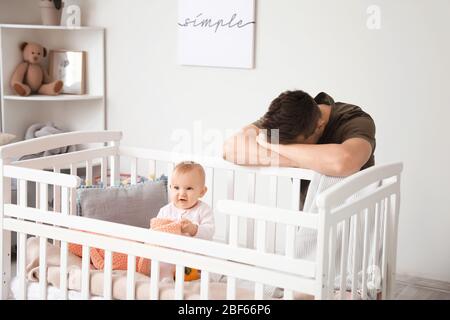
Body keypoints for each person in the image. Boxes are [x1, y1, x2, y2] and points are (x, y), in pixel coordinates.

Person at [223, 90, 376, 177]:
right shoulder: (286, 116)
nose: (293, 150)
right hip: (310, 217)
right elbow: (230, 149)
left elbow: (344, 162)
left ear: (319, 126)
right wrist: (300, 161)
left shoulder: (355, 119)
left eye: (295, 145)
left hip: (358, 215)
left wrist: (272, 146)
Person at [156, 161, 215, 240]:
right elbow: (156, 232)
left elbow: (209, 233)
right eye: (176, 188)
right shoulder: (165, 211)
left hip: (194, 250)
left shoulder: (204, 210)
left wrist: (193, 229)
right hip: (170, 249)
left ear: (202, 192)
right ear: (170, 188)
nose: (182, 193)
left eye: (189, 188)